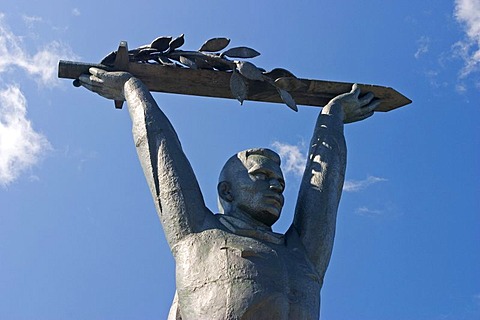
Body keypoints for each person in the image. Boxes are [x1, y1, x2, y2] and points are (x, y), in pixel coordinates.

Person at [79, 67, 380, 320]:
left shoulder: (302, 254)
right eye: (261, 176)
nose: (275, 186)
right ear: (227, 191)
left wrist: (333, 117)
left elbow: (325, 189)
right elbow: (160, 152)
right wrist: (133, 90)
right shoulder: (197, 234)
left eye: (279, 181)